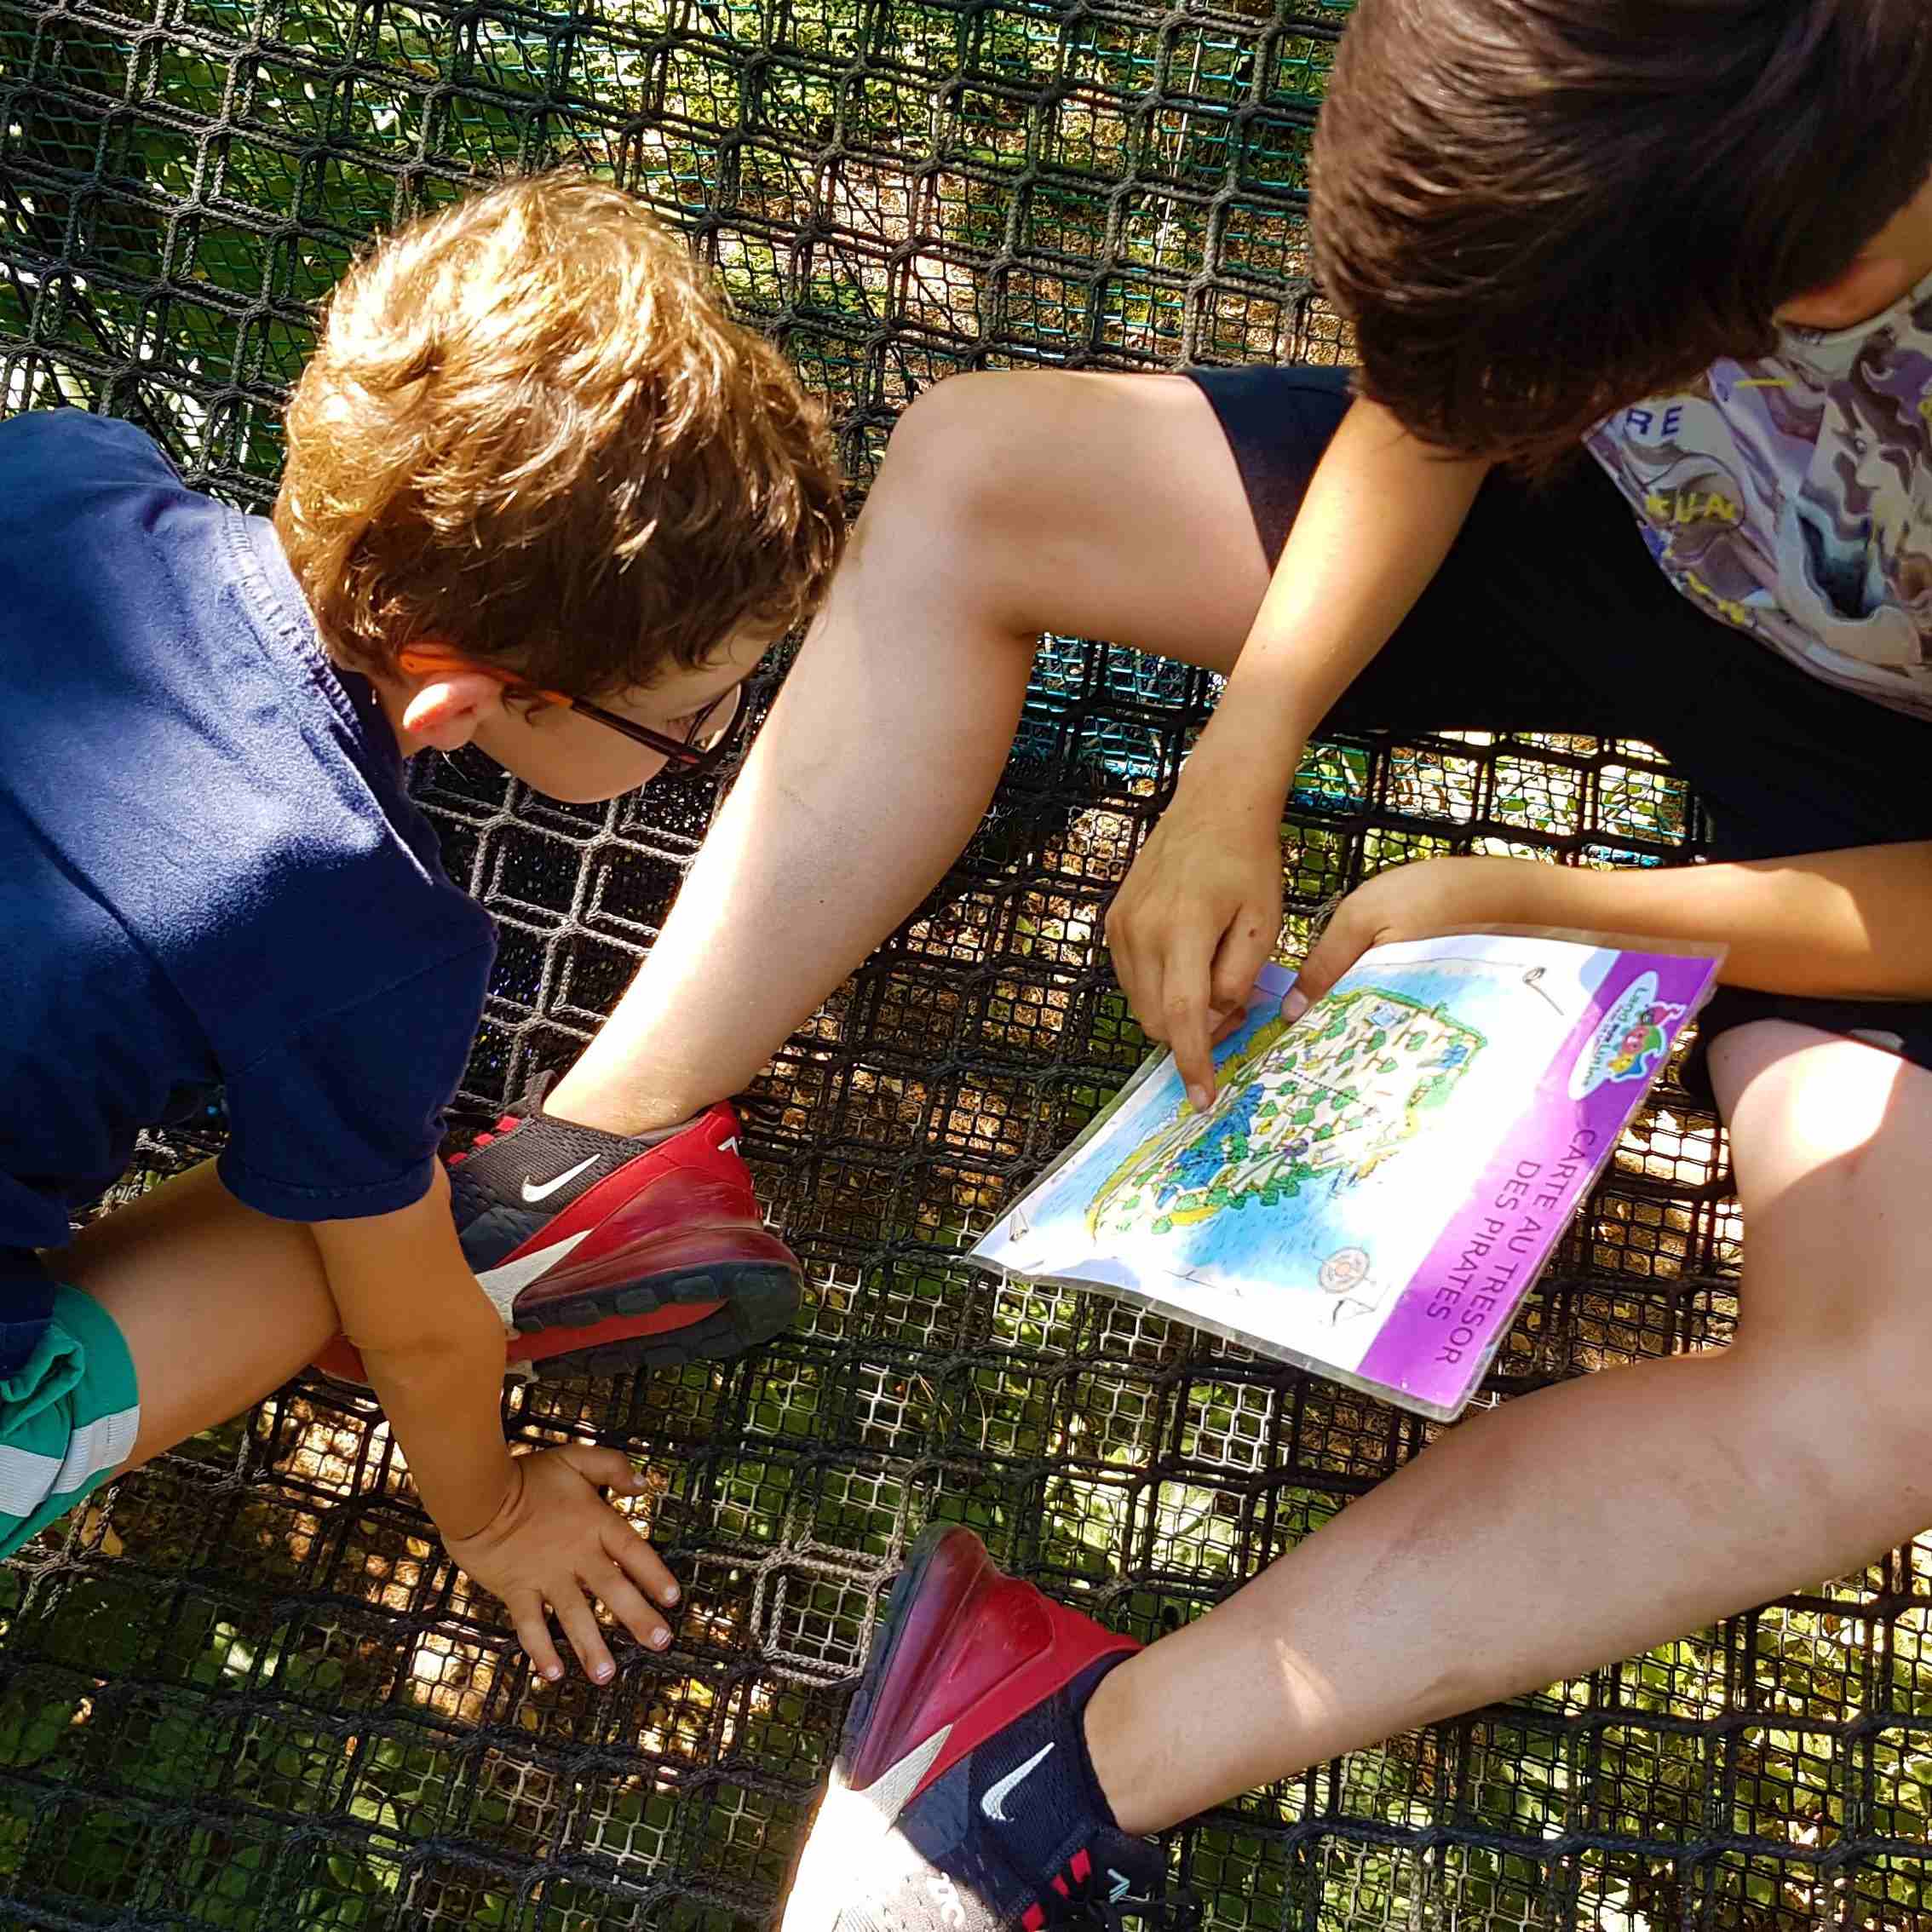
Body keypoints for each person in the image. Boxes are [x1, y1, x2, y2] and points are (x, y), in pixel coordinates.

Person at [428, 0, 1932, 1920]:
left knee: (1894, 1391)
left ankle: (1039, 1766)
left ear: (1835, 270)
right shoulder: (1626, 105)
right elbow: (1457, 381)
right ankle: (600, 1168)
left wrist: (1596, 906)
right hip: (1616, 549)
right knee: (983, 470)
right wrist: (1244, 753)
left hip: (1884, 789)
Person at [0, 170, 843, 1688]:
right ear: (459, 705)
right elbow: (424, 1333)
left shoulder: (62, 466)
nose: (718, 728)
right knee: (330, 1230)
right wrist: (499, 1507)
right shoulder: (355, 919)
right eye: (689, 716)